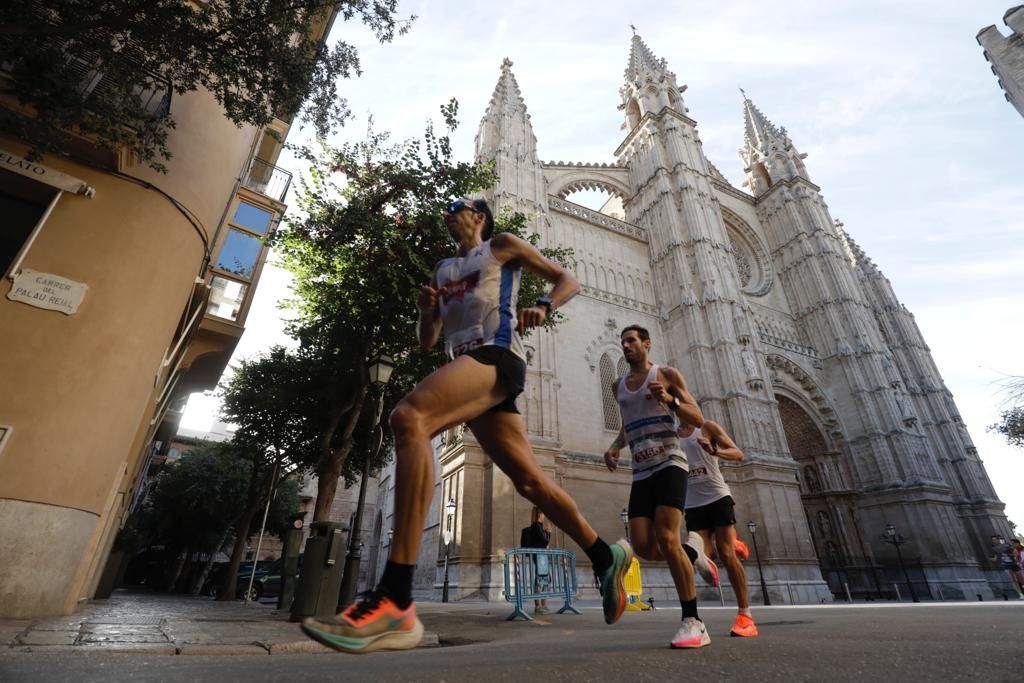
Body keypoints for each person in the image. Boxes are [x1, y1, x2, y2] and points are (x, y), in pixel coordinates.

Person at [301, 198, 631, 653]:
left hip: (497, 357)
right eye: (445, 210)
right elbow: (429, 341)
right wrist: (424, 311)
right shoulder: (442, 270)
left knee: (409, 417)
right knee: (532, 484)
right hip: (467, 369)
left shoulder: (501, 246)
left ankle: (394, 599)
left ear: (479, 216)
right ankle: (605, 554)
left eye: (457, 207)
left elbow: (566, 280)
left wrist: (543, 304)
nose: (448, 213)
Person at [604, 324, 719, 650]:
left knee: (667, 539)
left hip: (670, 463)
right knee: (643, 547)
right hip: (641, 472)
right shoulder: (618, 387)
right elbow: (628, 424)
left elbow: (696, 418)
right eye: (622, 342)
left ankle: (693, 622)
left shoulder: (666, 374)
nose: (625, 346)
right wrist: (615, 446)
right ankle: (692, 552)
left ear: (646, 344)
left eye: (631, 341)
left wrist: (670, 400)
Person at [683, 419, 757, 637]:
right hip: (692, 503)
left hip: (717, 497)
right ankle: (730, 541)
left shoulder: (706, 427)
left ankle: (745, 616)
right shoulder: (668, 433)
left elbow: (737, 453)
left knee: (726, 555)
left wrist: (714, 450)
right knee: (700, 555)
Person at [520, 507, 553, 614]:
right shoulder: (536, 526)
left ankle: (542, 605)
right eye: (543, 514)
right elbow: (545, 542)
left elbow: (544, 542)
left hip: (541, 556)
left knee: (544, 579)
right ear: (539, 514)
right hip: (539, 556)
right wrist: (548, 533)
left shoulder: (538, 527)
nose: (544, 517)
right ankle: (539, 606)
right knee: (541, 579)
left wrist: (546, 534)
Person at [990, 534, 1024, 599]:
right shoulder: (994, 548)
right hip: (1005, 565)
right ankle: (1020, 594)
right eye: (993, 540)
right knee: (1013, 580)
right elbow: (995, 557)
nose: (994, 541)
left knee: (1021, 579)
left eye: (995, 539)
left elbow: (1015, 552)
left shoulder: (1007, 546)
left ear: (998, 539)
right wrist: (994, 559)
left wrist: (1010, 555)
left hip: (1014, 563)